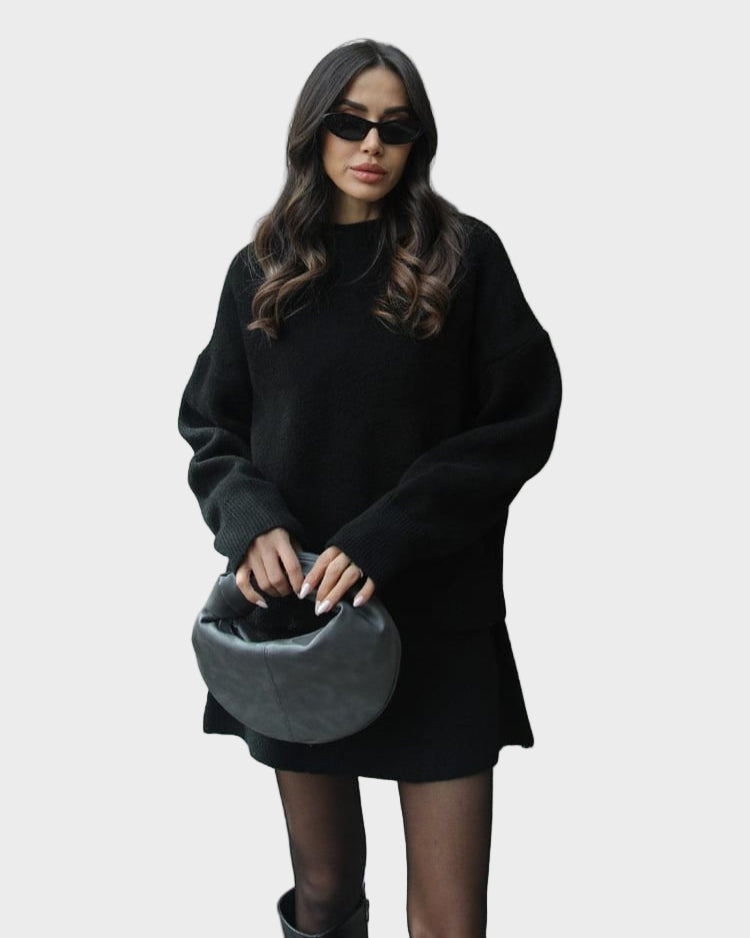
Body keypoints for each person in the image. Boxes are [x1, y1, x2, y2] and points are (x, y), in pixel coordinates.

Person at [177, 37, 562, 938]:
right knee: (323, 891)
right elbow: (211, 424)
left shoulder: (464, 256)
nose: (372, 145)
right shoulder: (263, 268)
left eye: (395, 127)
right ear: (314, 131)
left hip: (439, 622)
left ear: (418, 140)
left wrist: (387, 534)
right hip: (301, 624)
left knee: (449, 922)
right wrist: (250, 521)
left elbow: (520, 420)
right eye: (350, 123)